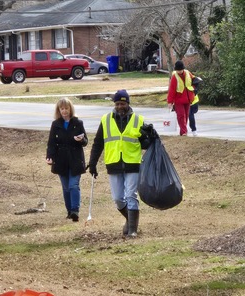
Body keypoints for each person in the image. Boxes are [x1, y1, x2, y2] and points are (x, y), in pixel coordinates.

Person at [88, 89, 154, 238]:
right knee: (118, 198)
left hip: (133, 163)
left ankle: (132, 230)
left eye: (122, 103)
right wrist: (92, 163)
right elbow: (98, 143)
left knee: (131, 195)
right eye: (117, 104)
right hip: (113, 164)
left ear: (128, 104)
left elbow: (144, 144)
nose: (120, 107)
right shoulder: (105, 120)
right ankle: (129, 219)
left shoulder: (138, 119)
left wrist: (149, 135)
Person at [45, 98, 88, 222]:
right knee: (66, 187)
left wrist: (81, 139)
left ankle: (75, 210)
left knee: (73, 185)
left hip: (75, 159)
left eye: (66, 108)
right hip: (61, 160)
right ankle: (69, 211)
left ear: (70, 109)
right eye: (62, 108)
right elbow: (51, 143)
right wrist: (49, 157)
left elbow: (85, 141)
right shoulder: (56, 124)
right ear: (59, 110)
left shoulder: (78, 123)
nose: (64, 111)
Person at [167, 60, 196, 136]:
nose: (179, 72)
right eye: (177, 70)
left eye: (180, 70)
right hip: (178, 100)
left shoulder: (188, 73)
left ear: (183, 69)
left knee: (186, 115)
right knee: (181, 115)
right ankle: (184, 132)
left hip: (188, 99)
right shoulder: (174, 77)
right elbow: (171, 90)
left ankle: (183, 131)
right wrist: (170, 102)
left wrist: (194, 88)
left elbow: (194, 81)